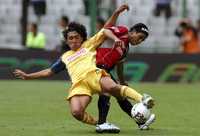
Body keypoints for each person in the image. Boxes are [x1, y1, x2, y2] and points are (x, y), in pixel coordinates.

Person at [14, 4, 155, 132]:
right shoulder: (67, 56)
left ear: (82, 38)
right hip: (94, 71)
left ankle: (128, 118)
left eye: (76, 37)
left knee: (116, 94)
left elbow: (118, 60)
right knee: (109, 96)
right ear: (66, 40)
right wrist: (28, 76)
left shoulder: (99, 46)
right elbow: (106, 29)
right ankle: (109, 122)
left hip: (98, 71)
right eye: (70, 38)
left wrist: (122, 80)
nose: (74, 40)